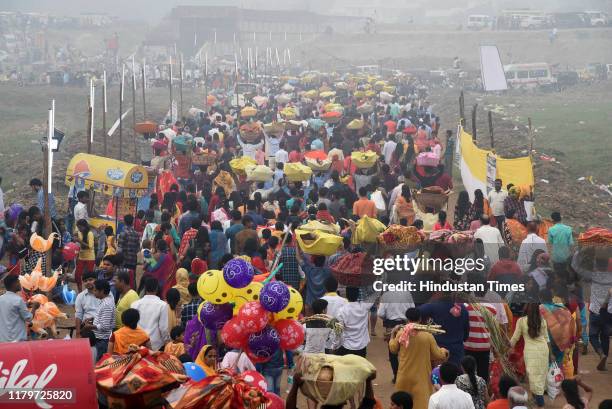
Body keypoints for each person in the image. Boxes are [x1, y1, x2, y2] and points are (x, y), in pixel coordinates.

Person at [390, 308, 448, 409]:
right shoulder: (427, 336)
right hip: (421, 377)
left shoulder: (401, 333)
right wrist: (444, 351)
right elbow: (438, 355)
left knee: (400, 404)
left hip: (404, 375)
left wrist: (392, 335)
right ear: (420, 319)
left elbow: (393, 349)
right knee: (421, 404)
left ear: (407, 319)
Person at [509, 303, 549, 407]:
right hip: (543, 350)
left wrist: (506, 347)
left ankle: (540, 403)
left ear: (526, 308)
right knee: (539, 377)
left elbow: (515, 338)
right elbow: (546, 338)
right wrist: (551, 354)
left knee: (533, 377)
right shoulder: (542, 320)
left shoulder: (521, 321)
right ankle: (537, 400)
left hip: (530, 352)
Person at [131, 278, 170, 351]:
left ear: (145, 289)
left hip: (137, 342)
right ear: (157, 288)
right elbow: (163, 328)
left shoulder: (134, 304)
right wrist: (167, 341)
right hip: (155, 344)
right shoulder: (163, 305)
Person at [337, 286, 374, 357]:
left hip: (347, 346)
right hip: (361, 346)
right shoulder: (364, 306)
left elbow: (339, 330)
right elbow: (375, 294)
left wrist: (335, 345)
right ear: (358, 295)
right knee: (360, 367)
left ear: (346, 295)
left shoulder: (342, 310)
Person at [0, 275, 39, 342]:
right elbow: (29, 318)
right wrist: (34, 308)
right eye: (18, 282)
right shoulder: (18, 300)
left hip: (3, 339)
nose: (20, 284)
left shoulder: (1, 298)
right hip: (17, 340)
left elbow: (11, 309)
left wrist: (25, 305)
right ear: (14, 284)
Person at [83, 279, 116, 360]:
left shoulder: (106, 304)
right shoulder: (105, 301)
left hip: (102, 340)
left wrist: (90, 327)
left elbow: (105, 326)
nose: (93, 292)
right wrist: (93, 318)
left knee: (98, 363)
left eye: (95, 290)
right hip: (100, 339)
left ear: (101, 291)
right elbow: (104, 318)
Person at [75, 271, 103, 339]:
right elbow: (78, 315)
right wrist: (78, 333)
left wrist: (95, 320)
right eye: (85, 281)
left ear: (96, 280)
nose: (88, 282)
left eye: (90, 280)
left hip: (102, 327)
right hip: (86, 328)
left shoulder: (104, 293)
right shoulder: (80, 296)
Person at [75, 219, 96, 292]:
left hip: (90, 257)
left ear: (84, 226)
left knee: (90, 277)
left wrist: (79, 241)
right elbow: (79, 245)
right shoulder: (79, 233)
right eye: (78, 227)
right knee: (77, 275)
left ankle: (91, 292)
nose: (79, 229)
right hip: (81, 256)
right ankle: (80, 292)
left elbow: (90, 246)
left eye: (80, 227)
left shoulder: (90, 233)